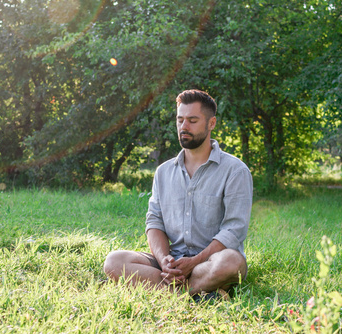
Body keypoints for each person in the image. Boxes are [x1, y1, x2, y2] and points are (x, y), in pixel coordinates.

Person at [103, 89, 253, 300]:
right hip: (172, 264)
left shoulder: (235, 171)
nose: (184, 126)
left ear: (211, 123)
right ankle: (197, 292)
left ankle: (169, 291)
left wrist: (194, 262)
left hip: (211, 262)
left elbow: (234, 230)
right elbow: (154, 222)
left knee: (232, 262)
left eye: (192, 120)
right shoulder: (163, 172)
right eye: (180, 119)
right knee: (114, 261)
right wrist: (164, 260)